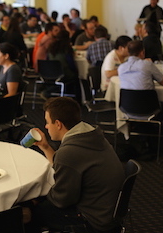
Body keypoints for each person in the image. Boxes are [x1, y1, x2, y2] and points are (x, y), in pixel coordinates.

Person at [28, 97, 124, 233]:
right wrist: (45, 147)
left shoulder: (69, 152)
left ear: (58, 124)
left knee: (28, 213)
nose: (46, 126)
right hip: (107, 211)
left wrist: (36, 197)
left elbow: (62, 200)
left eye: (48, 122)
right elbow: (68, 166)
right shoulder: (90, 134)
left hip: (92, 221)